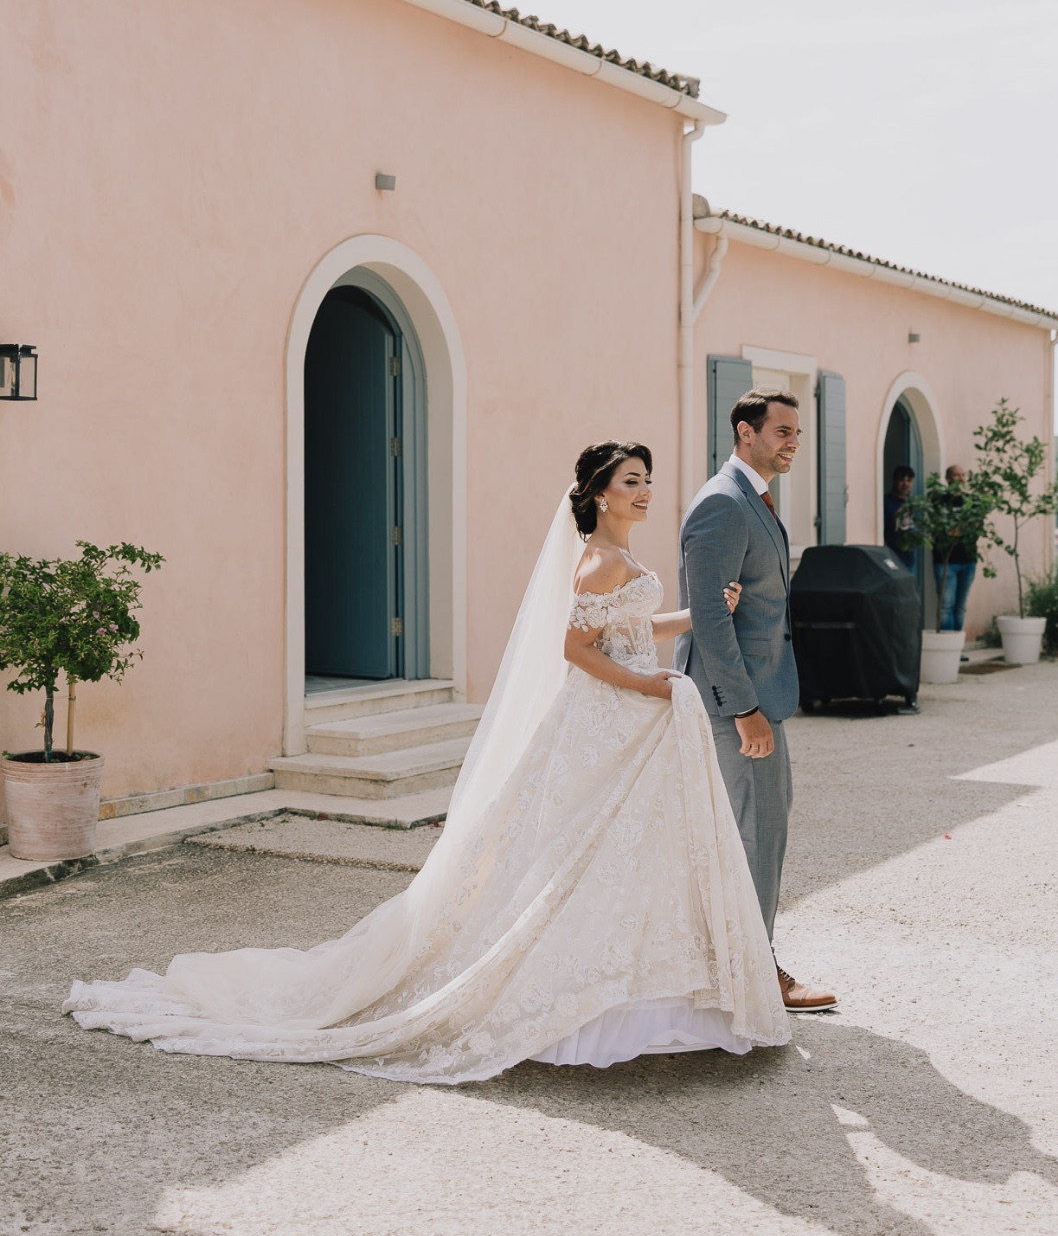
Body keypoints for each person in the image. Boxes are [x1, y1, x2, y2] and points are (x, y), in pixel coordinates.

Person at [65, 442, 793, 1081]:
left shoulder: (623, 560)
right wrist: (650, 684)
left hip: (631, 718)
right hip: (606, 719)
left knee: (614, 856)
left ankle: (630, 993)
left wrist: (696, 616)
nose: (644, 490)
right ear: (601, 491)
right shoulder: (599, 560)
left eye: (647, 479)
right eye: (632, 479)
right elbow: (574, 650)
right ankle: (570, 1000)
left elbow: (628, 625)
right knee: (570, 854)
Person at [676, 390, 838, 1013]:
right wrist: (743, 707)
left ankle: (734, 963)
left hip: (757, 695)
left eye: (798, 431)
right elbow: (710, 618)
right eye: (783, 431)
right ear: (746, 432)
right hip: (735, 702)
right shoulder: (723, 502)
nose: (794, 440)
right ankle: (753, 972)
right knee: (756, 834)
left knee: (759, 827)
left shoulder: (754, 499)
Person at [935, 462, 980, 637]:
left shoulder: (972, 501)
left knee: (961, 605)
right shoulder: (938, 501)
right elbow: (939, 528)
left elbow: (975, 528)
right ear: (947, 479)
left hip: (968, 560)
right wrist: (962, 528)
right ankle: (948, 646)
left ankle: (957, 649)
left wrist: (958, 530)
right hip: (945, 561)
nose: (961, 478)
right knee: (946, 605)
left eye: (963, 475)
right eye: (956, 475)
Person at [883, 464, 917, 572]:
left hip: (909, 558)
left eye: (909, 480)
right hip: (892, 558)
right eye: (902, 480)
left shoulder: (913, 503)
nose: (905, 484)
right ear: (895, 480)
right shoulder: (885, 501)